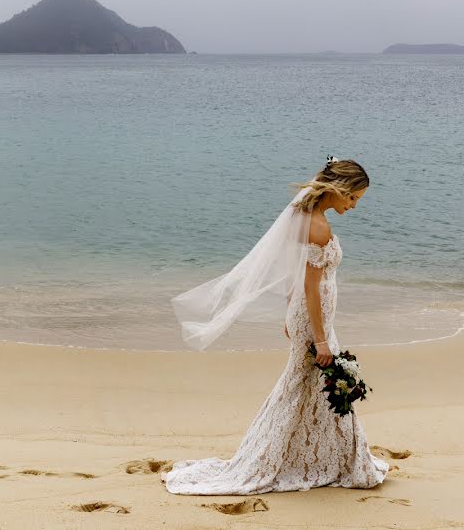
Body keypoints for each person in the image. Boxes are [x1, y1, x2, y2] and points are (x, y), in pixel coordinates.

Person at [161, 157, 389, 494]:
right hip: (315, 320)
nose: (353, 206)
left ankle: (320, 457)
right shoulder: (319, 227)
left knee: (307, 386)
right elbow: (311, 286)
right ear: (338, 189)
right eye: (352, 198)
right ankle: (290, 459)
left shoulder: (304, 217)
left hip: (306, 315)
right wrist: (321, 339)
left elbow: (290, 272)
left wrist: (290, 313)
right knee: (306, 385)